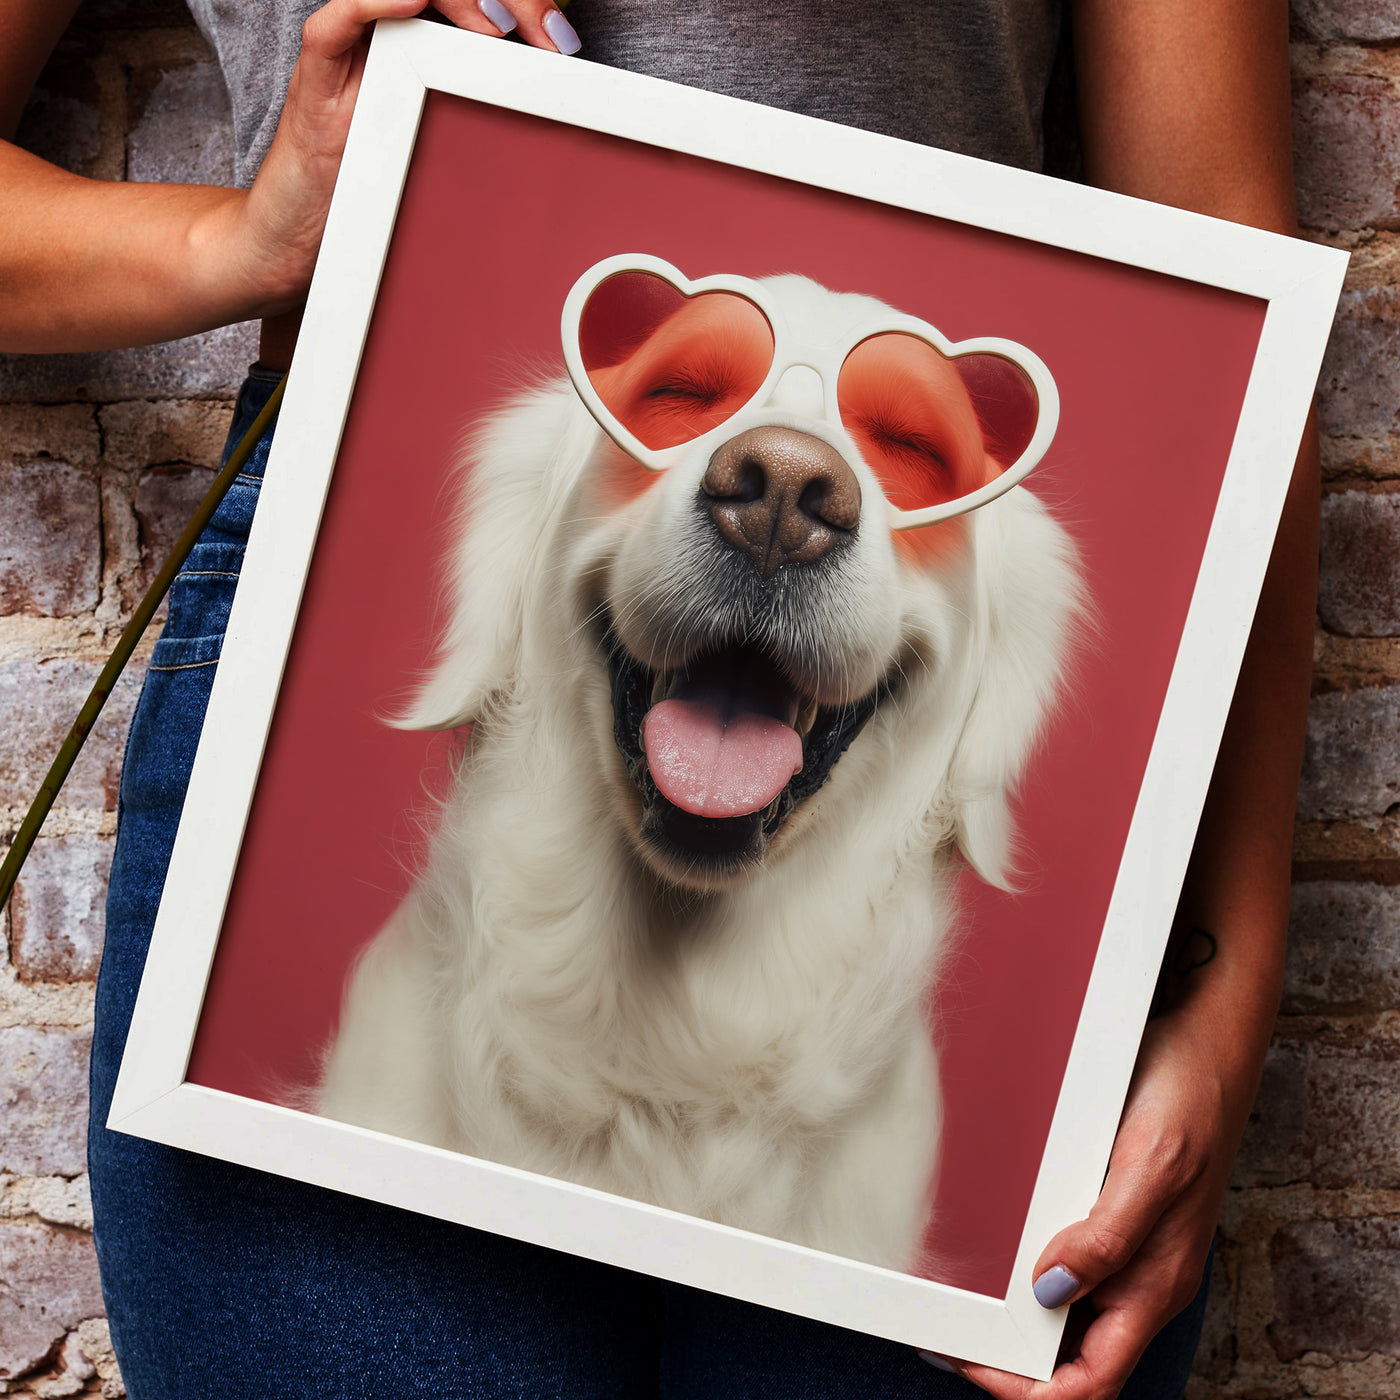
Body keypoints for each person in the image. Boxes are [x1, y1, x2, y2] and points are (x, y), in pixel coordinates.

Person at [0, 2, 1316, 1396]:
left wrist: (1221, 1009)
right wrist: (244, 239)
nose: (779, 488)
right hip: (324, 582)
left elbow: (1236, 275)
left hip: (966, 965)